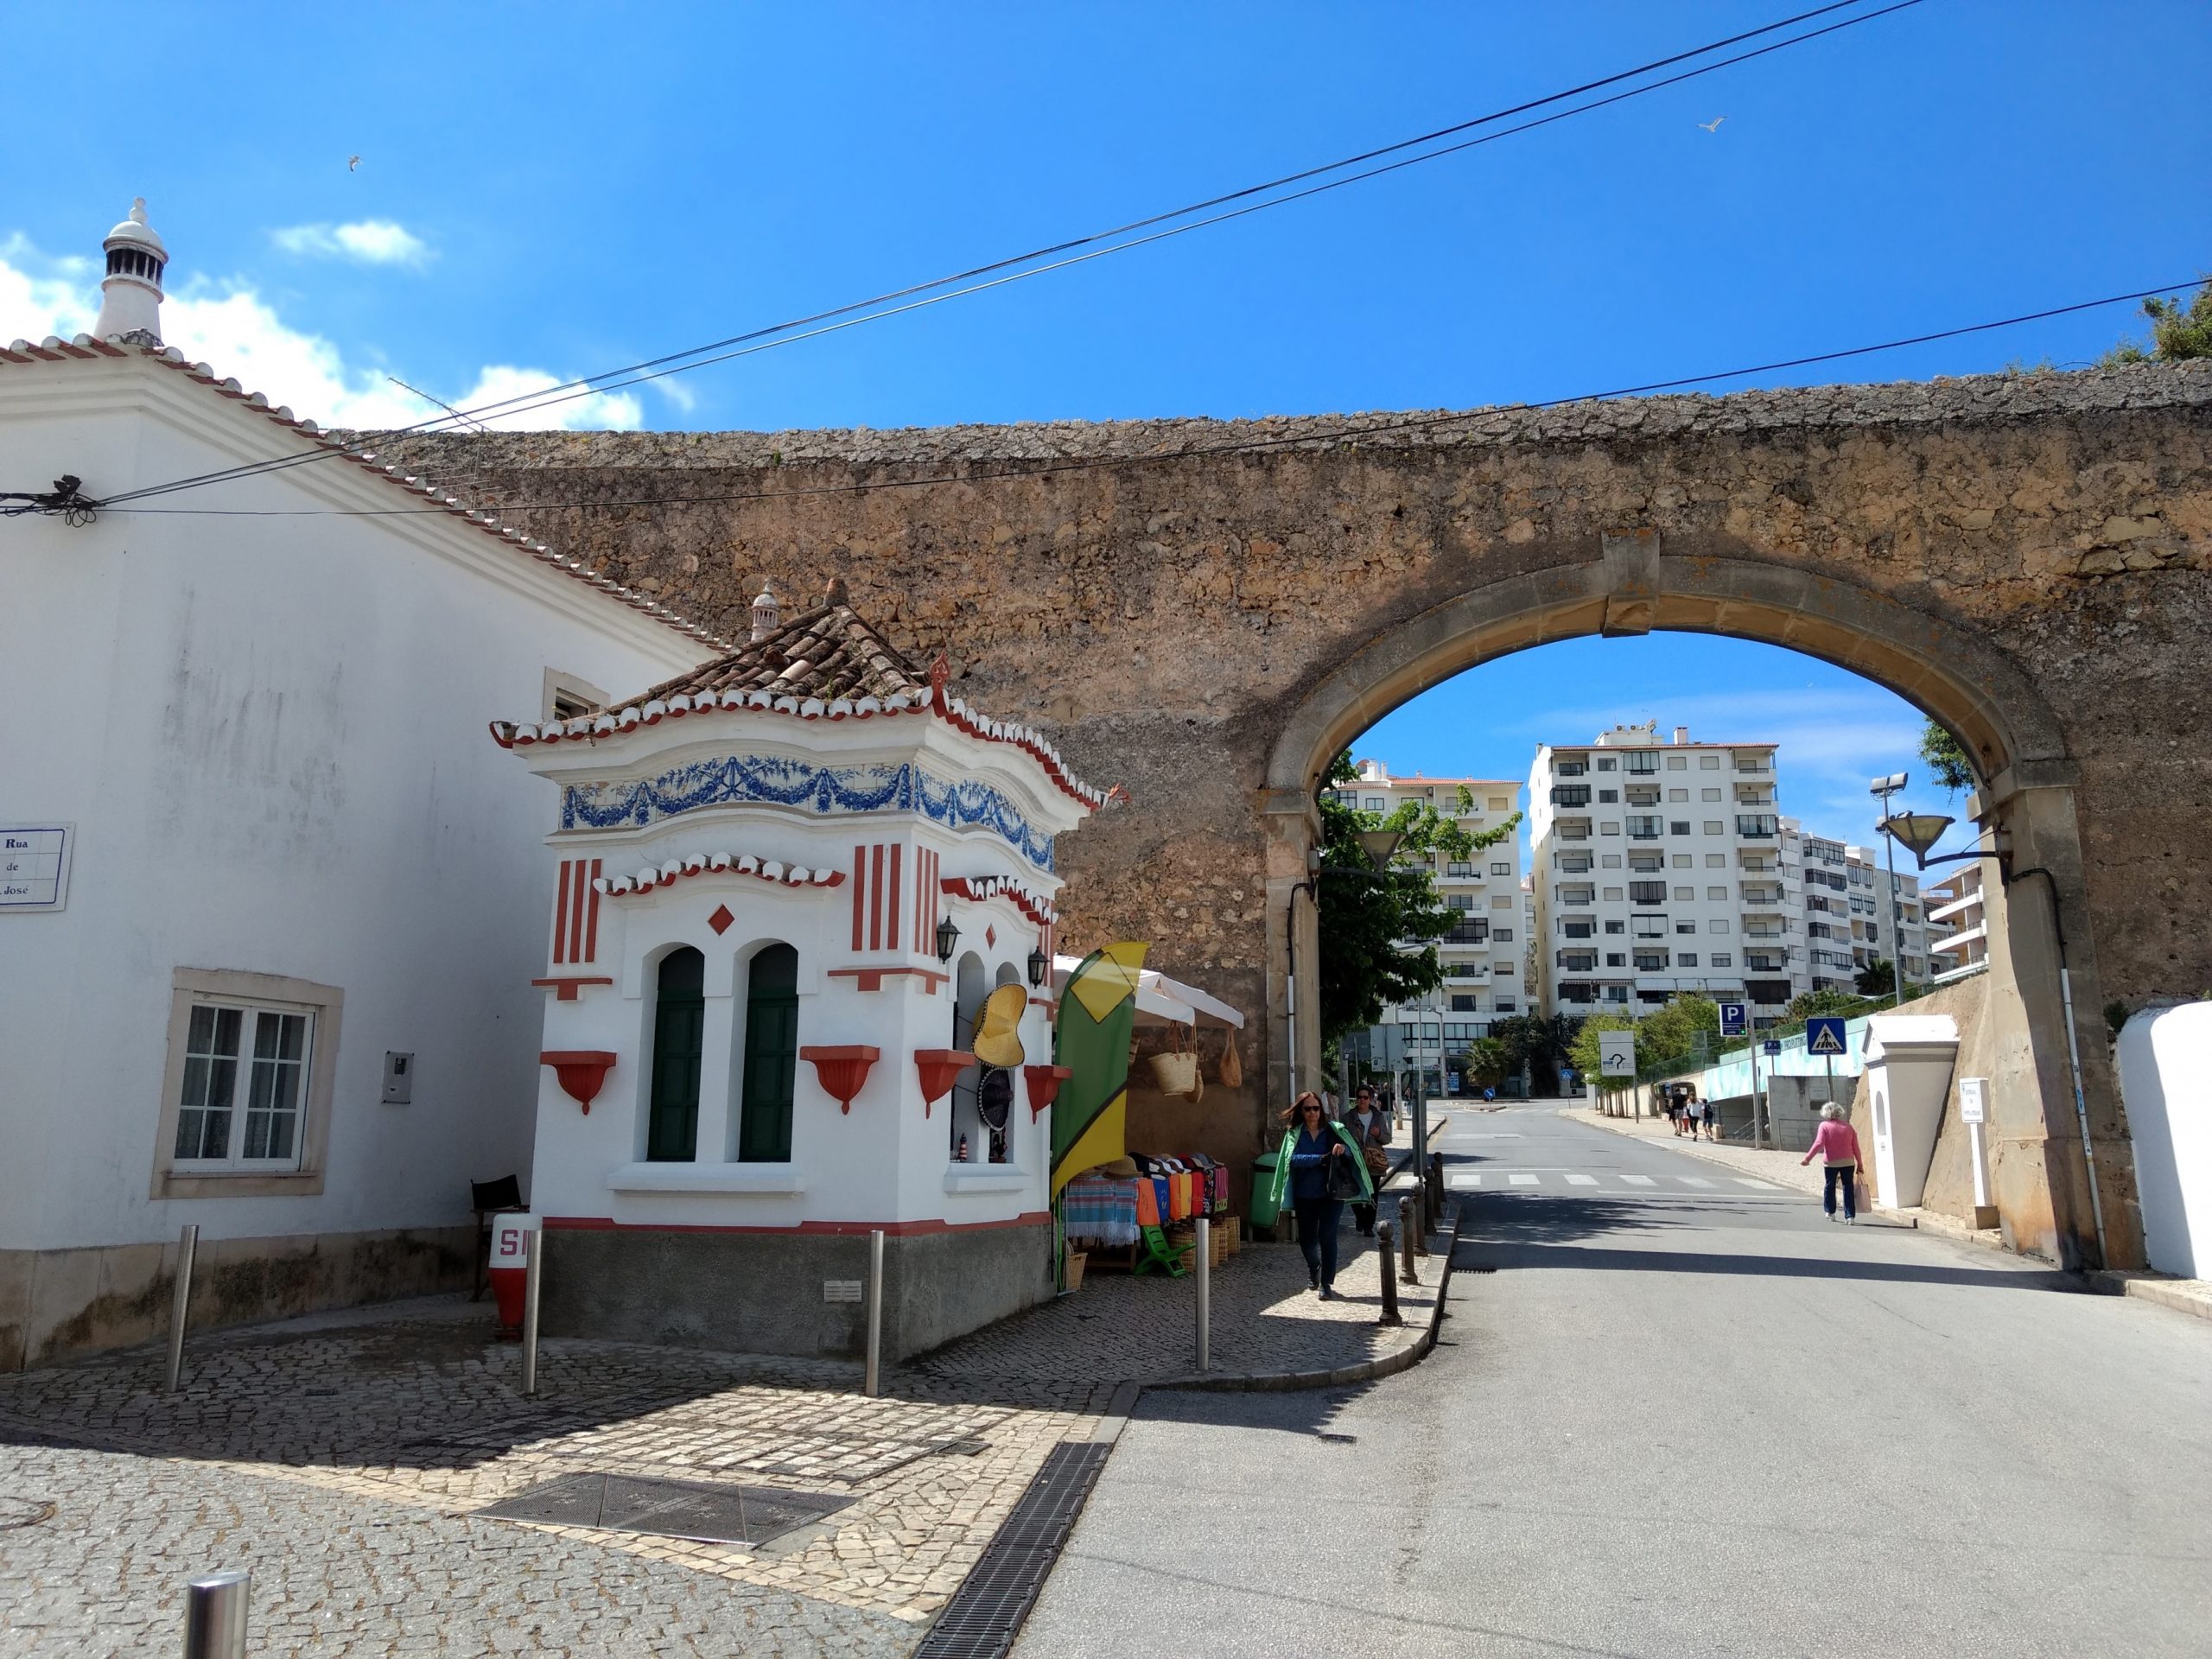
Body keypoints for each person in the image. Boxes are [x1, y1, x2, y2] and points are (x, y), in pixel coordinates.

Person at [1268, 1091, 1373, 1297]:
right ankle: (1314, 1266)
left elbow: (1353, 1153)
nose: (1312, 1112)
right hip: (1305, 1194)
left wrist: (1343, 1148)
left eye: (1316, 1108)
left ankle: (1326, 1284)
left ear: (1321, 1110)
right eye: (1307, 1109)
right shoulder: (1295, 1134)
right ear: (1301, 1111)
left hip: (1331, 1193)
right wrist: (1320, 1159)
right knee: (1307, 1240)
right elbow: (1293, 1159)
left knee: (1327, 1236)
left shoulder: (1334, 1130)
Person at [1340, 1084, 1394, 1236]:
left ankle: (1369, 1226)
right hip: (1355, 1162)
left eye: (1365, 1097)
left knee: (1372, 1195)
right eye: (1359, 1097)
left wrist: (1378, 1134)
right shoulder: (1347, 1118)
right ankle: (1360, 1218)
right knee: (1354, 1192)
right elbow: (1339, 1137)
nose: (1362, 1100)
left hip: (1373, 1162)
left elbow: (1387, 1138)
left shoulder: (1378, 1117)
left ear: (1370, 1099)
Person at [1802, 1102, 1865, 1222]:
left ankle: (1830, 1212)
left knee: (1830, 1186)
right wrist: (1860, 1163)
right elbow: (1856, 1147)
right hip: (1848, 1161)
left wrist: (1808, 1158)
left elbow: (1819, 1143)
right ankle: (1850, 1215)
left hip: (1831, 1162)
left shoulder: (1824, 1126)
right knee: (1848, 1188)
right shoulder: (1848, 1126)